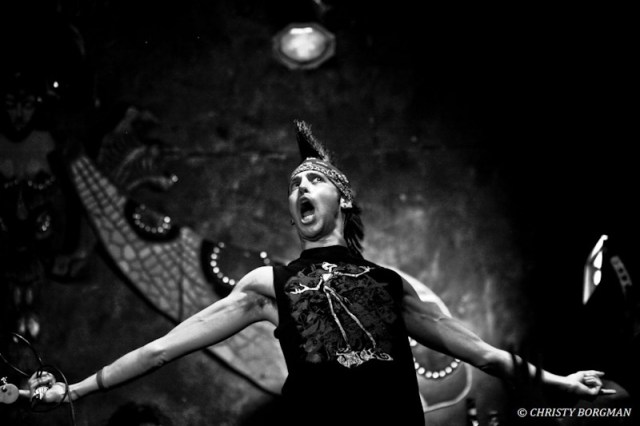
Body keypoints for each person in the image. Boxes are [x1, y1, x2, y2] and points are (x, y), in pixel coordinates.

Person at [27, 120, 613, 425]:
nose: (300, 187)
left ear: (343, 200)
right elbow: (161, 351)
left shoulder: (391, 287)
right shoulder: (270, 287)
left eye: (313, 179)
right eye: (293, 185)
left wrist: (562, 385)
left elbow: (483, 355)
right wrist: (73, 390)